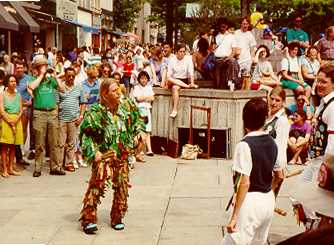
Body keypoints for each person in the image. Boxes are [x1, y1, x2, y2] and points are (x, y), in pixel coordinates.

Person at [79, 78, 143, 234]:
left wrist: (136, 136)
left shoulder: (127, 107)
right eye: (114, 91)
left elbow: (137, 122)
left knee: (122, 186)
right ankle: (88, 218)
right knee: (97, 184)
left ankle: (117, 216)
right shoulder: (96, 111)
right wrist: (94, 152)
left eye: (118, 89)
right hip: (105, 155)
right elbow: (85, 135)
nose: (118, 93)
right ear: (105, 94)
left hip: (122, 154)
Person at [222, 98, 280, 245]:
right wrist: (267, 191)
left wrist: (234, 216)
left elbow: (243, 183)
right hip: (267, 200)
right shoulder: (273, 142)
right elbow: (280, 175)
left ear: (244, 119)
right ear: (265, 118)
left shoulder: (244, 145)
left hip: (249, 203)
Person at [28, 56, 66, 177]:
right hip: (39, 113)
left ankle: (55, 167)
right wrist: (41, 75)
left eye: (45, 66)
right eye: (42, 66)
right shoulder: (33, 79)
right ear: (38, 68)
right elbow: (31, 87)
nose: (45, 68)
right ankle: (38, 167)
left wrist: (55, 75)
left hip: (52, 112)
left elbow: (62, 89)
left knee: (54, 141)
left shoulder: (51, 80)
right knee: (39, 142)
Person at [264, 86, 290, 216]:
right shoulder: (268, 117)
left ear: (283, 102)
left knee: (267, 203)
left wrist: (279, 172)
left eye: (277, 100)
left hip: (275, 167)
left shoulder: (282, 121)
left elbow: (280, 146)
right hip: (264, 164)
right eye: (272, 99)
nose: (273, 102)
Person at [57, 67, 81, 172]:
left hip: (73, 119)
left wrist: (80, 116)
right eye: (68, 76)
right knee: (61, 143)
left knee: (72, 143)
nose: (71, 78)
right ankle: (59, 164)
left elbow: (83, 103)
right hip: (62, 119)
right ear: (65, 76)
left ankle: (69, 163)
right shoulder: (60, 88)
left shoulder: (78, 88)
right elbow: (56, 103)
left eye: (73, 76)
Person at [0, 75, 24, 177]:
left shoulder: (18, 96)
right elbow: (1, 110)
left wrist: (16, 120)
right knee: (5, 147)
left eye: (14, 81)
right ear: (7, 83)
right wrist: (10, 121)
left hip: (17, 121)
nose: (13, 83)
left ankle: (11, 167)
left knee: (14, 146)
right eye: (11, 81)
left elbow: (21, 110)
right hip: (6, 121)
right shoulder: (2, 94)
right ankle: (4, 169)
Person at [167, 43, 197, 118]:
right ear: (176, 52)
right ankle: (187, 86)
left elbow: (191, 72)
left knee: (175, 88)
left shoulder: (188, 59)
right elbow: (169, 75)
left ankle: (174, 110)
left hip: (183, 80)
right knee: (170, 79)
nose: (182, 53)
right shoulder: (172, 59)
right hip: (173, 80)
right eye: (181, 51)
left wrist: (192, 82)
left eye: (184, 51)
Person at [132, 70, 155, 160]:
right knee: (139, 130)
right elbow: (138, 99)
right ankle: (137, 150)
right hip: (139, 110)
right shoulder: (136, 88)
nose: (143, 80)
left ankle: (149, 149)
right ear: (139, 79)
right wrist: (146, 98)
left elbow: (152, 98)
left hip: (147, 109)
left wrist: (144, 98)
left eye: (145, 78)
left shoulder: (149, 87)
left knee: (148, 130)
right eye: (142, 78)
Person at [214, 18, 239, 89]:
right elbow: (211, 50)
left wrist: (229, 57)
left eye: (224, 26)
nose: (223, 28)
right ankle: (219, 84)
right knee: (218, 85)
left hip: (227, 58)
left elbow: (234, 50)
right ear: (219, 26)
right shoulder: (215, 36)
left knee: (233, 61)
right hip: (217, 59)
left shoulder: (231, 36)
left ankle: (231, 82)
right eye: (221, 26)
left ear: (227, 26)